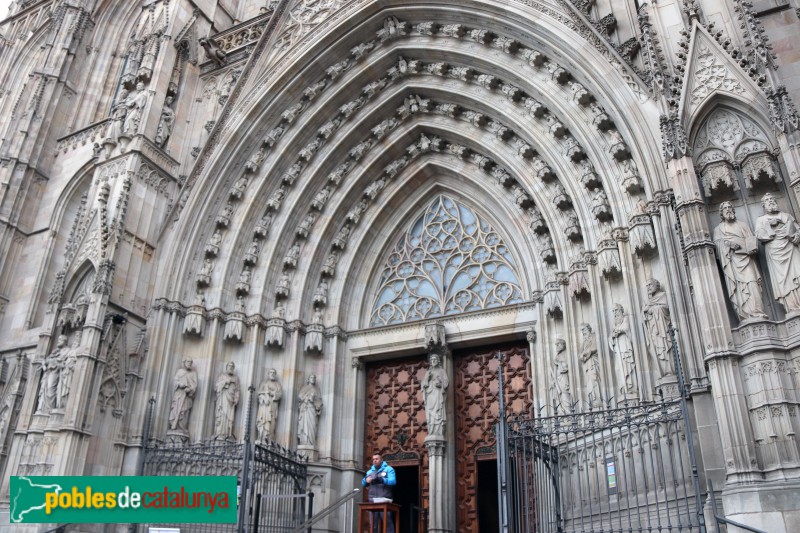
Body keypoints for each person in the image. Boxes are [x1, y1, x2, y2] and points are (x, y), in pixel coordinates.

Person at [714, 202, 766, 320]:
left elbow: (751, 240)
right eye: (725, 208)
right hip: (732, 263)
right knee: (738, 288)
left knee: (752, 284)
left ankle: (757, 312)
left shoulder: (742, 225)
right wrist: (728, 244)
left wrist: (752, 247)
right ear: (721, 213)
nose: (728, 210)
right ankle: (746, 316)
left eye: (730, 207)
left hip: (747, 260)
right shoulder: (719, 229)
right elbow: (717, 246)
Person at [755, 193, 800, 313]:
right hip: (774, 251)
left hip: (790, 248)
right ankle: (792, 307)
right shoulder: (761, 220)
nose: (770, 201)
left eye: (772, 199)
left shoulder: (786, 216)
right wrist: (769, 225)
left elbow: (797, 229)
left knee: (797, 273)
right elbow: (759, 235)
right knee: (783, 280)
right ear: (764, 205)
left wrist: (796, 236)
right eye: (767, 200)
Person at [642, 278, 676, 379]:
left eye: (650, 285)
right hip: (654, 332)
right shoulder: (647, 301)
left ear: (656, 285)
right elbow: (643, 317)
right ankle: (664, 372)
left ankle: (671, 371)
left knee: (666, 348)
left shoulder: (663, 295)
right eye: (647, 286)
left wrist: (652, 309)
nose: (648, 287)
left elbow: (666, 308)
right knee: (658, 350)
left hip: (663, 330)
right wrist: (645, 312)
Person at [362, 452, 397, 533]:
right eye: (373, 459)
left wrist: (382, 480)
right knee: (373, 524)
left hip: (384, 500)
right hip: (373, 500)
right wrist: (366, 481)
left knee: (387, 522)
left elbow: (393, 481)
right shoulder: (370, 471)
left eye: (376, 459)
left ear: (381, 460)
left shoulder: (389, 469)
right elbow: (363, 483)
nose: (374, 461)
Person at [168, 357, 198, 434]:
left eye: (191, 362)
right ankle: (175, 425)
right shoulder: (180, 372)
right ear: (184, 362)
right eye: (188, 362)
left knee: (184, 412)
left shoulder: (193, 374)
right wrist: (180, 384)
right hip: (179, 395)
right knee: (176, 411)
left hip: (187, 397)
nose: (189, 364)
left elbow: (195, 385)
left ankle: (182, 427)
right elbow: (175, 382)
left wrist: (190, 389)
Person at [422, 353, 448, 436]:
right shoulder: (428, 372)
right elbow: (423, 385)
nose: (433, 361)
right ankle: (431, 430)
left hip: (438, 394)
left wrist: (441, 385)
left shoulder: (442, 371)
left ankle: (438, 431)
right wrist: (427, 379)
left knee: (438, 412)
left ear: (438, 361)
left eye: (435, 359)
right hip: (430, 395)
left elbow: (446, 382)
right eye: (432, 360)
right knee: (430, 413)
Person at [214, 362, 240, 439]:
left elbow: (238, 390)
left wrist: (236, 398)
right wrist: (225, 382)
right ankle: (220, 434)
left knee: (229, 418)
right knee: (222, 416)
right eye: (229, 366)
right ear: (226, 367)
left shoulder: (236, 378)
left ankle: (228, 434)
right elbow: (216, 387)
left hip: (230, 401)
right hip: (222, 399)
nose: (231, 367)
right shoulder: (222, 376)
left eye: (232, 366)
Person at [256, 368, 282, 443]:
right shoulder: (264, 383)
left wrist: (273, 394)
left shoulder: (277, 385)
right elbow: (259, 393)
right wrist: (263, 397)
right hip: (264, 406)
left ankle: (269, 439)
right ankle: (262, 437)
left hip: (273, 406)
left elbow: (280, 394)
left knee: (272, 423)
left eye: (274, 373)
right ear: (268, 374)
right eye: (271, 372)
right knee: (264, 421)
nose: (272, 374)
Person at [297, 374, 322, 447]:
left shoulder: (317, 390)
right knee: (305, 425)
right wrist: (307, 398)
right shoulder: (305, 388)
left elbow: (319, 401)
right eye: (311, 377)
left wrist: (316, 404)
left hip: (312, 409)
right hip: (306, 409)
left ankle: (311, 442)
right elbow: (300, 397)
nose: (313, 378)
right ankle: (304, 442)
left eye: (314, 377)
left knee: (313, 426)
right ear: (308, 379)